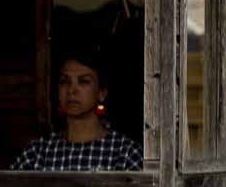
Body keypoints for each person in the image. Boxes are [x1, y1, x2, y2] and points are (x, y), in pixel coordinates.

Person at [12, 49, 142, 171]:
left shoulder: (125, 153)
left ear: (101, 93)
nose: (71, 90)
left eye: (84, 81)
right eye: (64, 81)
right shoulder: (38, 152)